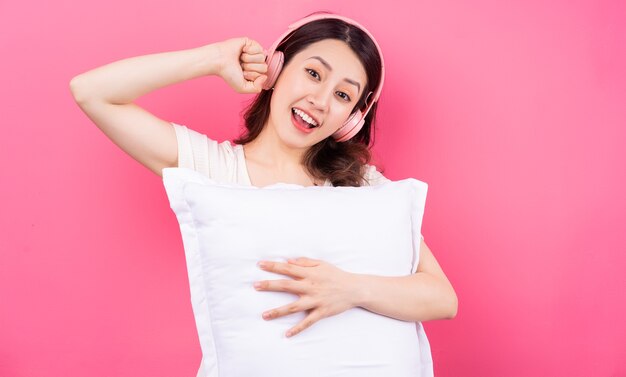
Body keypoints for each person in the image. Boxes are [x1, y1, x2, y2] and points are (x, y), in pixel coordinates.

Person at [70, 12, 457, 375]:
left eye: (343, 96)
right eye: (312, 73)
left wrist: (351, 288)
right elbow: (91, 91)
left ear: (353, 119)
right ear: (277, 68)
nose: (319, 101)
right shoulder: (213, 168)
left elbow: (442, 297)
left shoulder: (362, 187)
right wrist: (214, 58)